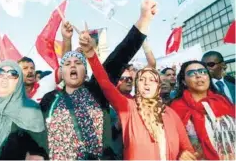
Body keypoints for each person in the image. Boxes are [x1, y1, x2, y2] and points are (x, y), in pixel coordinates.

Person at [40, 0, 158, 160]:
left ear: (86, 70)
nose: (73, 66)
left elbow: (120, 55)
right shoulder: (49, 100)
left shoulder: (96, 90)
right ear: (61, 71)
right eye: (67, 64)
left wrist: (144, 19)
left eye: (78, 63)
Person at [79, 23, 196, 160]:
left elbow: (187, 148)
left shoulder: (170, 114)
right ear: (137, 85)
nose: (146, 83)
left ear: (158, 86)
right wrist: (91, 55)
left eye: (152, 80)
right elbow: (105, 84)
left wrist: (184, 154)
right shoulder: (128, 107)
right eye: (142, 79)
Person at [170, 60, 235, 160]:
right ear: (184, 81)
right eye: (192, 73)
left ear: (208, 77)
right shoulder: (175, 108)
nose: (199, 75)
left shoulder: (222, 100)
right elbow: (170, 140)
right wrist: (180, 153)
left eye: (203, 72)